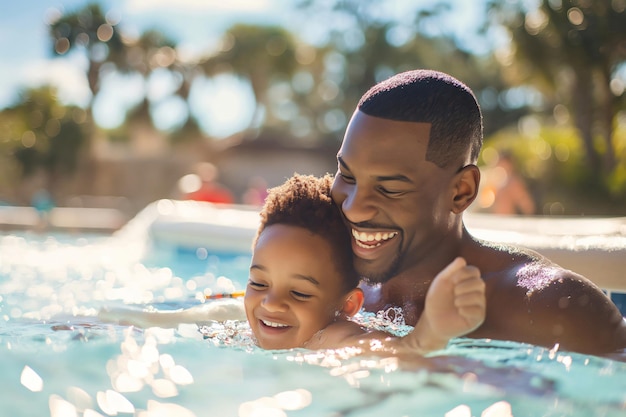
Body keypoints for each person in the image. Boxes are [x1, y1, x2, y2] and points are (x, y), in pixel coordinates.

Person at [330, 69, 626, 356]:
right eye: (347, 175)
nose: (353, 206)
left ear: (462, 191)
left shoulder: (548, 308)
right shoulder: (334, 290)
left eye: (389, 188)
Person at [100, 174, 486, 354]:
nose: (270, 305)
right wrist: (99, 322)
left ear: (347, 306)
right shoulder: (237, 314)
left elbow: (407, 353)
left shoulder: (332, 337)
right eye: (258, 283)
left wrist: (434, 330)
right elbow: (158, 320)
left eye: (299, 292)